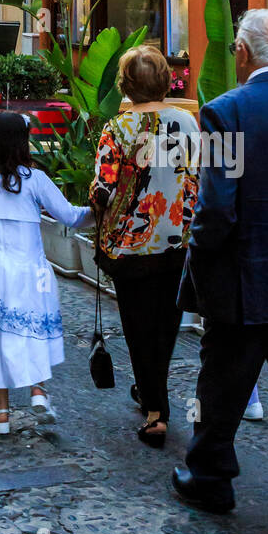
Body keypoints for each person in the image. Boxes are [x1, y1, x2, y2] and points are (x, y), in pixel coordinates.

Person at [173, 9, 268, 532]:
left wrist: (198, 267)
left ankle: (211, 479)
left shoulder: (225, 112)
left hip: (243, 284)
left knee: (219, 392)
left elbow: (216, 208)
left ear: (241, 52)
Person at [0, 111, 92, 433]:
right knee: (32, 325)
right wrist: (100, 211)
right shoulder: (35, 180)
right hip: (30, 267)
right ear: (23, 142)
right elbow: (70, 216)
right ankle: (38, 390)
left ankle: (1, 413)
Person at [89, 46, 200, 448]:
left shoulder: (117, 129)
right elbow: (200, 175)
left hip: (131, 243)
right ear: (164, 81)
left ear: (126, 85)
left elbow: (102, 188)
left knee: (138, 326)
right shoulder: (188, 123)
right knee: (167, 324)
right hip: (179, 239)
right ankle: (152, 392)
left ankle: (156, 412)